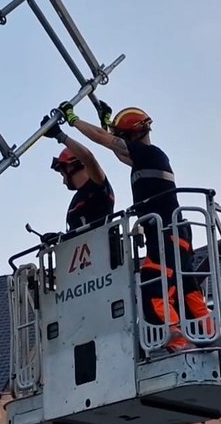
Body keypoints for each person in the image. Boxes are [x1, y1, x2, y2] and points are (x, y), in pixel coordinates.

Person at [58, 99, 211, 352]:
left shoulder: (151, 154)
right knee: (186, 290)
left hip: (166, 233)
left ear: (133, 134)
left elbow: (105, 142)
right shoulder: (147, 158)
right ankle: (208, 336)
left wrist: (71, 123)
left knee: (154, 285)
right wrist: (106, 122)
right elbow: (118, 151)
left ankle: (178, 344)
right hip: (171, 232)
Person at [41, 113, 115, 234]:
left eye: (63, 175)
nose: (63, 181)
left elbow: (89, 158)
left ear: (71, 167)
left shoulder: (98, 186)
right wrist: (59, 239)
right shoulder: (77, 198)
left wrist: (60, 136)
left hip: (103, 249)